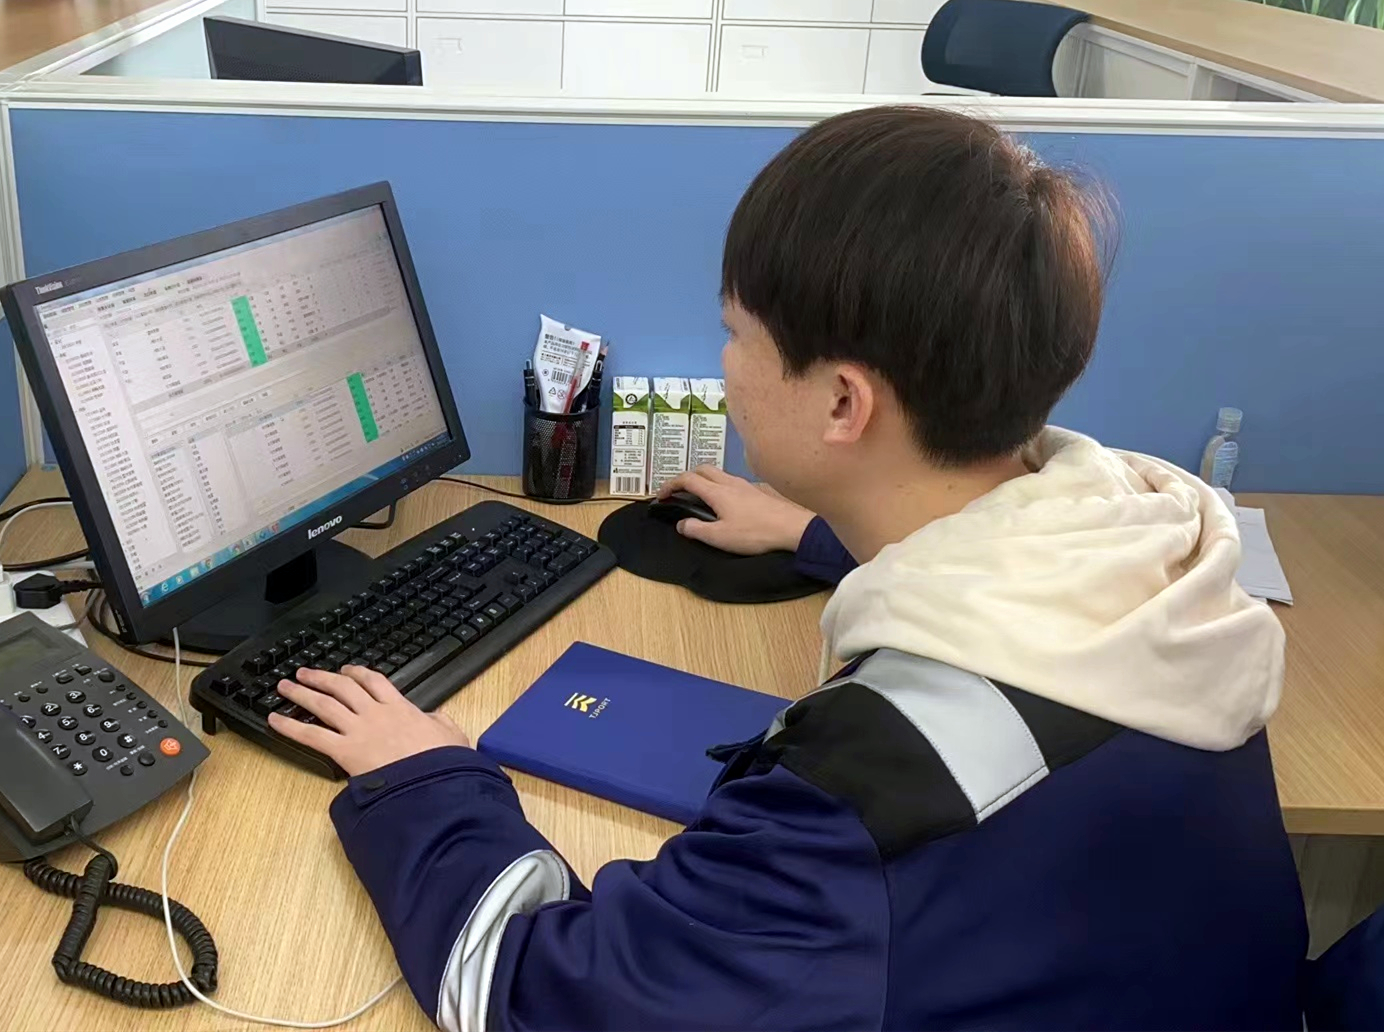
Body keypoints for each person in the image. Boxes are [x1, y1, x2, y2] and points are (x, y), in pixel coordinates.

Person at [268, 105, 1306, 1030]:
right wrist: (825, 532)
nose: (725, 365)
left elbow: (527, 990)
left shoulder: (863, 804)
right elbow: (1014, 608)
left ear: (843, 402)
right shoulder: (1153, 552)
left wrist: (424, 779)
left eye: (736, 333)